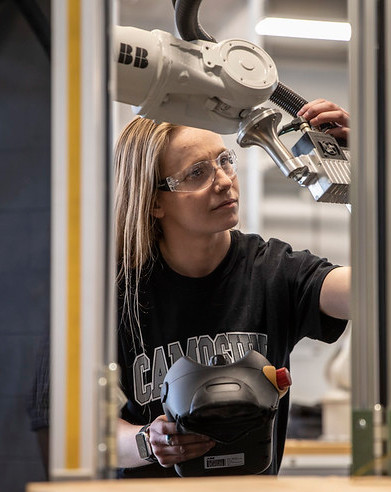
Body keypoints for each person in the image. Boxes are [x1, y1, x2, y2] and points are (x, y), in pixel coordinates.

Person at [114, 98, 351, 478]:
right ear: (155, 201)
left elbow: (372, 291)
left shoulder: (273, 270)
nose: (224, 180)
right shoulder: (119, 291)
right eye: (197, 173)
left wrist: (359, 173)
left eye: (225, 161)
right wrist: (146, 442)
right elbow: (84, 428)